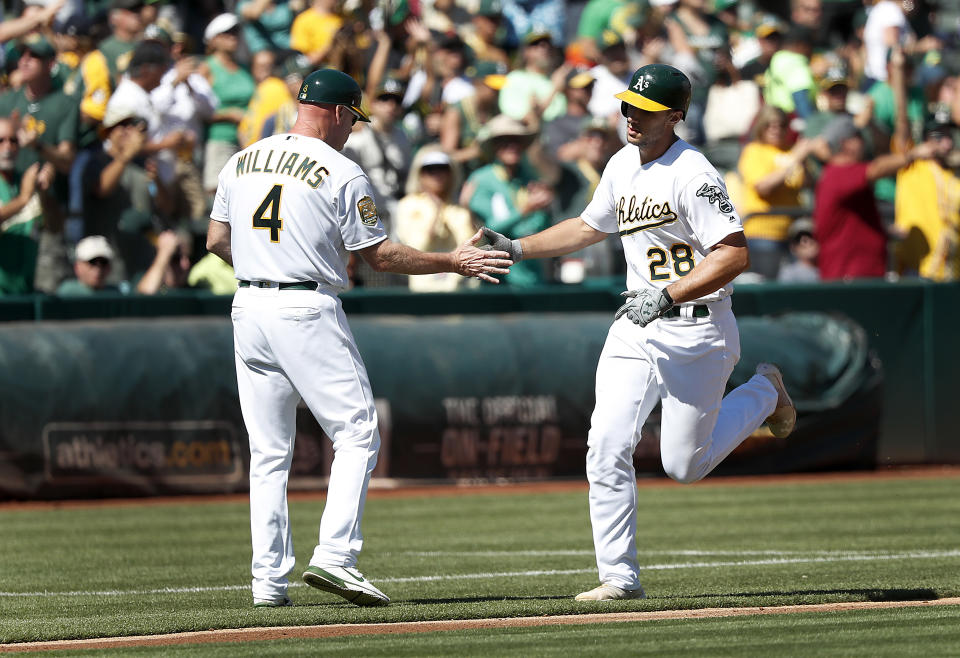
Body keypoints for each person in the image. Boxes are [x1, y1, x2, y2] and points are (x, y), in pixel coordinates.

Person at [480, 64, 796, 601]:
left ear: (675, 115)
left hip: (697, 329)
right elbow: (588, 226)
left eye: (645, 111)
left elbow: (734, 253)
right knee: (605, 443)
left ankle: (765, 392)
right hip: (634, 326)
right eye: (628, 105)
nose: (631, 117)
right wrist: (519, 246)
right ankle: (619, 577)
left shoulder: (693, 172)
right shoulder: (623, 161)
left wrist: (669, 294)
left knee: (684, 467)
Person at [205, 68, 512, 608]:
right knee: (357, 431)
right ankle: (335, 557)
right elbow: (381, 255)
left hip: (248, 305)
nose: (352, 130)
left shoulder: (240, 159)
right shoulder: (340, 169)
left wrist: (264, 263)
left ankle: (267, 583)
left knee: (269, 452)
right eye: (353, 119)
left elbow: (215, 240)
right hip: (303, 304)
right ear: (340, 112)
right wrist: (451, 261)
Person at [395, 148, 478, 292]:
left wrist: (467, 209)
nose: (437, 174)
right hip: (424, 289)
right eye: (430, 169)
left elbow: (473, 247)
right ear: (419, 174)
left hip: (460, 289)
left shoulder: (460, 209)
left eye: (443, 168)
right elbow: (416, 247)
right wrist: (436, 213)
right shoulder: (407, 205)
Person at [56, 234, 124, 295]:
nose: (98, 268)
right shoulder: (67, 293)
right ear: (78, 267)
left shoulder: (115, 293)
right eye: (92, 262)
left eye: (103, 262)